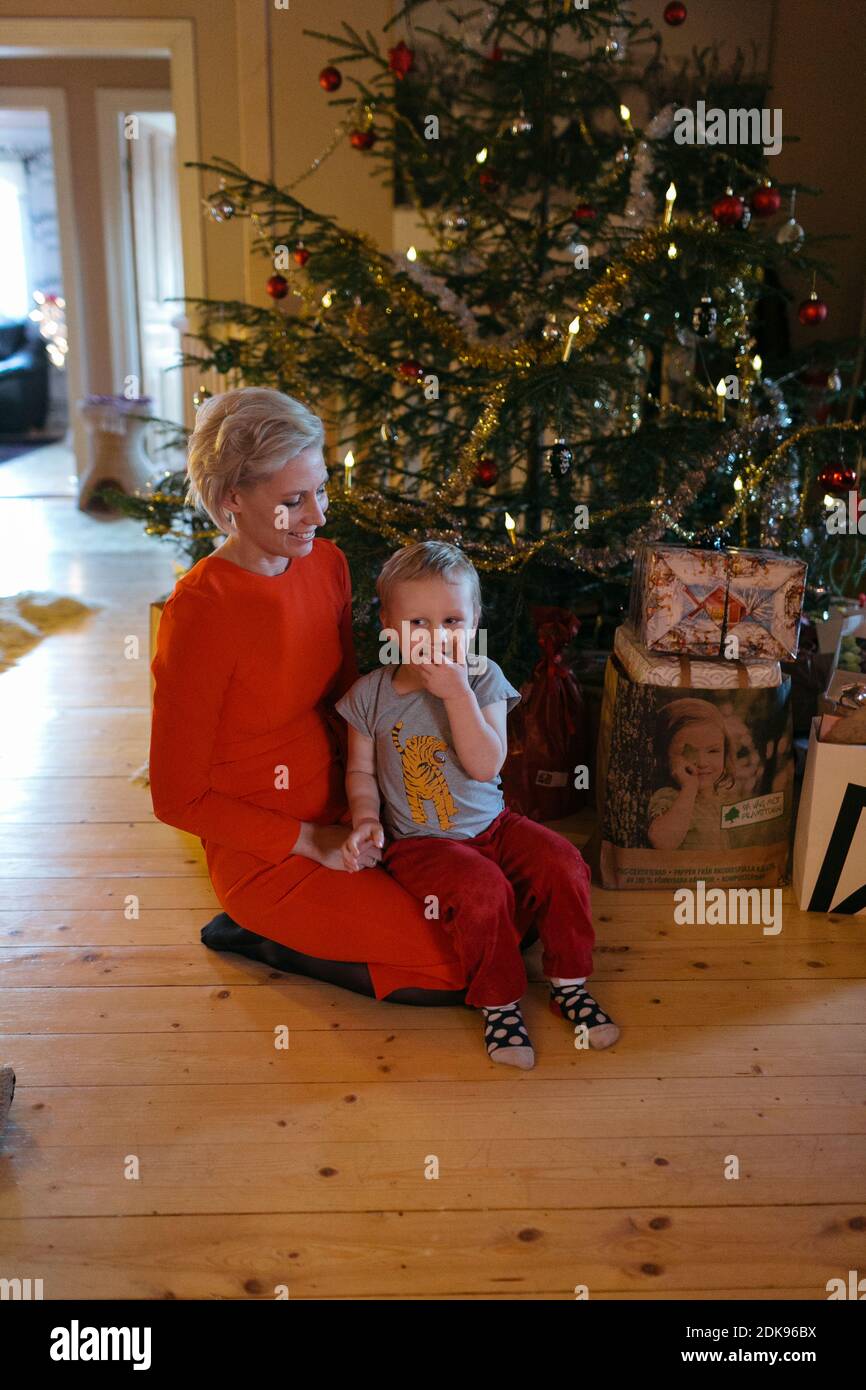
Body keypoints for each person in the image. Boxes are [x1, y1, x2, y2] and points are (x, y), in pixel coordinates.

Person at [149, 386, 474, 1005]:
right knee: (456, 961)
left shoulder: (328, 564)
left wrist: (380, 802)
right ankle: (259, 936)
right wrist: (308, 840)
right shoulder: (199, 614)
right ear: (232, 501)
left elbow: (352, 702)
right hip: (270, 848)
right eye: (293, 501)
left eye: (321, 490)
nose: (318, 515)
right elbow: (175, 797)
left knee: (496, 917)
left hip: (358, 808)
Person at [335, 541, 619, 1069]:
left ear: (475, 621)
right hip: (424, 843)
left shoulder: (483, 676)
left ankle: (569, 982)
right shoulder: (370, 695)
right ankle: (499, 1002)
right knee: (482, 888)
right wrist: (367, 819)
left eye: (452, 621)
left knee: (564, 862)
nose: (437, 637)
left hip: (494, 824)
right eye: (417, 622)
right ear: (388, 625)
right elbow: (360, 770)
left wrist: (458, 693)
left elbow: (487, 765)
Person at [647, 697, 737, 850]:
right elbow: (662, 842)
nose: (702, 762)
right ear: (664, 757)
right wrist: (689, 788)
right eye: (687, 752)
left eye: (713, 751)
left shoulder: (716, 800)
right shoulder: (671, 797)